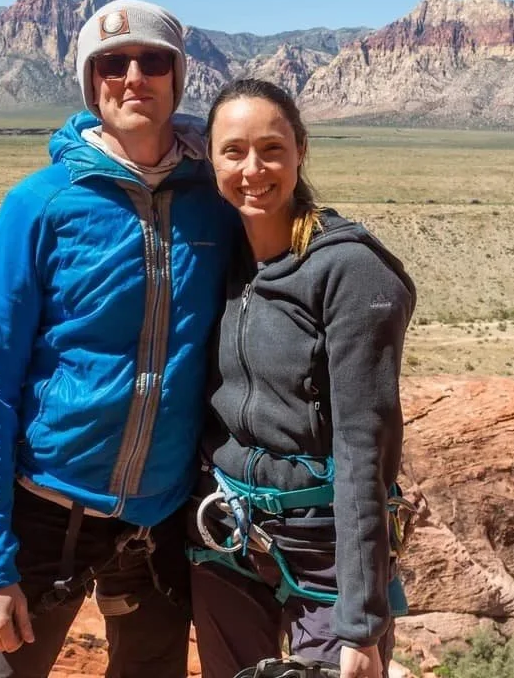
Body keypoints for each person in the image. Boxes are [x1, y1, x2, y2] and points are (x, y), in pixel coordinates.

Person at [0, 0, 237, 678]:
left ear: (176, 77)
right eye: (113, 63)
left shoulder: (216, 202)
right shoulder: (41, 204)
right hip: (46, 514)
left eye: (153, 61)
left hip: (161, 520)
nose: (133, 76)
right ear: (91, 81)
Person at [189, 78, 416, 678]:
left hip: (324, 553)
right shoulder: (220, 259)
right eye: (233, 151)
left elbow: (365, 451)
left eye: (272, 149)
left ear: (301, 151)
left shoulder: (349, 271)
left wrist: (363, 625)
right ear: (210, 159)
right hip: (227, 538)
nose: (253, 168)